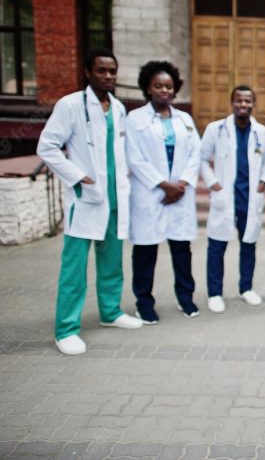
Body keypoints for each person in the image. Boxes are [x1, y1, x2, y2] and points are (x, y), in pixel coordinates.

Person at [36, 48, 142, 355]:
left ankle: (111, 312)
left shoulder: (119, 108)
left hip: (114, 200)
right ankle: (66, 329)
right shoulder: (70, 105)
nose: (108, 76)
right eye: (101, 71)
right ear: (87, 72)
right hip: (85, 200)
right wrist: (77, 176)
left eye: (112, 71)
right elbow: (48, 147)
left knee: (111, 263)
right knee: (74, 268)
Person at [126, 60, 201, 324]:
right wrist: (163, 184)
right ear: (148, 88)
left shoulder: (185, 119)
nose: (164, 91)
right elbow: (133, 157)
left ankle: (186, 298)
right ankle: (144, 303)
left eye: (168, 86)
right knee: (146, 252)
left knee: (182, 251)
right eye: (158, 86)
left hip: (179, 195)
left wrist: (181, 184)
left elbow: (196, 154)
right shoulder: (135, 119)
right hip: (151, 194)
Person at [200, 85, 265, 313]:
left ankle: (246, 288)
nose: (243, 104)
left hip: (249, 198)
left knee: (248, 244)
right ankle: (215, 293)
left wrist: (264, 181)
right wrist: (213, 183)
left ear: (253, 104)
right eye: (239, 100)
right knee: (217, 247)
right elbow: (201, 159)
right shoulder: (216, 129)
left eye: (248, 101)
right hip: (225, 198)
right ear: (232, 102)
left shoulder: (261, 132)